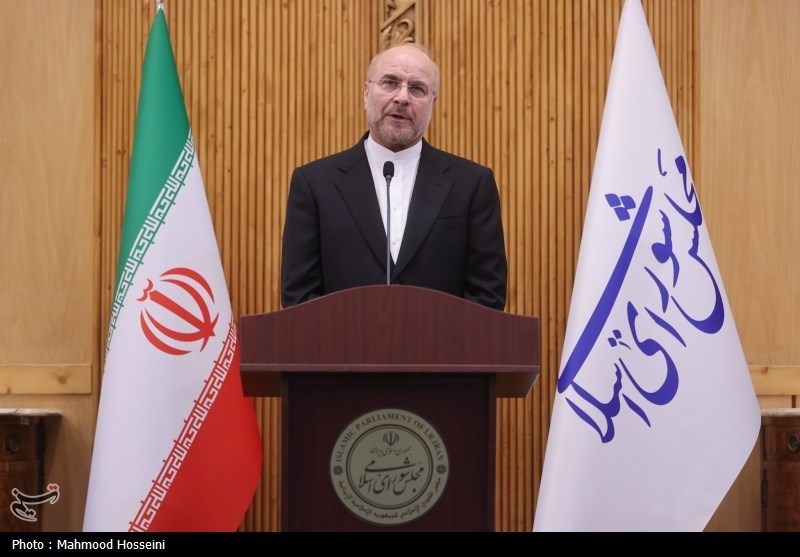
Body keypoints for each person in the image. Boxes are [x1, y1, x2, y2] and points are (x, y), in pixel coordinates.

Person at [280, 43, 507, 310]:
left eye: (417, 88)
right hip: (341, 338)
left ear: (433, 103)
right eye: (390, 83)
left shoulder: (472, 185)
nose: (402, 98)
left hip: (443, 339)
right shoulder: (314, 184)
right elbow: (299, 298)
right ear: (366, 93)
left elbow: (487, 298)